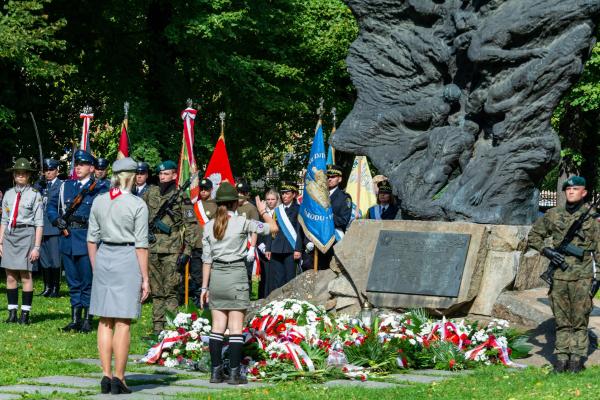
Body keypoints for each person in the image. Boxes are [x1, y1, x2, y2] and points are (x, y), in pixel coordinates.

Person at [199, 182, 277, 385]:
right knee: (235, 327)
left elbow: (206, 260)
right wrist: (263, 211)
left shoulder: (208, 226)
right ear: (236, 202)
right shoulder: (243, 223)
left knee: (217, 327)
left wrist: (204, 288)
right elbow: (273, 228)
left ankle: (215, 373)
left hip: (216, 277)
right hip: (236, 275)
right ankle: (234, 373)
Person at [87, 157, 150, 395]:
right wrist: (145, 277)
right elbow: (141, 245)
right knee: (123, 321)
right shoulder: (137, 204)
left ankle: (105, 375)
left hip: (103, 256)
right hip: (127, 257)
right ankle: (119, 378)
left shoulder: (99, 201)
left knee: (105, 320)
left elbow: (91, 239)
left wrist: (97, 266)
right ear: (133, 176)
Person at [528, 176, 600, 373]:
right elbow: (534, 236)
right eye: (568, 189)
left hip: (583, 276)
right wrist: (548, 251)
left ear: (584, 193)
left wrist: (598, 278)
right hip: (559, 275)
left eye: (576, 189)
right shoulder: (553, 214)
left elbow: (599, 250)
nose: (571, 191)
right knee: (561, 319)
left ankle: (576, 360)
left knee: (579, 319)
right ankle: (561, 359)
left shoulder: (593, 218)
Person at [48, 149, 109, 333]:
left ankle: (88, 320)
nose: (78, 167)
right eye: (77, 164)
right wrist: (55, 219)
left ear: (92, 168)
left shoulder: (100, 188)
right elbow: (51, 206)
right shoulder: (66, 186)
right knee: (73, 282)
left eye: (82, 164)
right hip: (67, 237)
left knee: (87, 281)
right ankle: (75, 319)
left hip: (87, 239)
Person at [143, 160, 199, 334]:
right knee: (156, 291)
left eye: (166, 174)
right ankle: (157, 328)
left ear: (174, 175)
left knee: (171, 290)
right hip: (151, 246)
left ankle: (172, 329)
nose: (162, 177)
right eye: (160, 174)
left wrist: (187, 252)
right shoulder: (150, 192)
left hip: (172, 249)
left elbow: (191, 226)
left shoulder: (181, 196)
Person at [0, 158, 44, 324]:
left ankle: (25, 314)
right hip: (10, 235)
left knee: (25, 275)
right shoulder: (9, 194)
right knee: (10, 275)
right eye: (17, 173)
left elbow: (39, 223)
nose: (20, 176)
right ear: (13, 175)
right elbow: (4, 220)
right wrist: (0, 242)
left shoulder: (35, 195)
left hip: (27, 234)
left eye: (23, 174)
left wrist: (37, 247)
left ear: (28, 176)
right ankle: (12, 313)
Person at [182, 178, 217, 306]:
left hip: (210, 246)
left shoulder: (216, 206)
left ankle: (210, 299)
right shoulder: (194, 205)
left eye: (206, 189)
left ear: (211, 190)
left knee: (211, 275)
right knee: (196, 274)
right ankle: (198, 300)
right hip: (196, 245)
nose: (203, 191)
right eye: (201, 189)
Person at [264, 182, 303, 296]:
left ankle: (289, 303)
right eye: (283, 194)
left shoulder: (298, 209)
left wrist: (298, 249)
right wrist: (268, 248)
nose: (284, 196)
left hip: (290, 249)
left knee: (290, 279)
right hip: (276, 248)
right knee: (277, 279)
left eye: (287, 193)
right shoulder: (278, 210)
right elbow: (272, 229)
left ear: (294, 194)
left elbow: (299, 231)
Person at [34, 159, 64, 297]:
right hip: (41, 226)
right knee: (45, 259)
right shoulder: (42, 185)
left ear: (57, 170)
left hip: (54, 227)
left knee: (55, 259)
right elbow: (33, 193)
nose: (48, 173)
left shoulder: (61, 185)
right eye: (46, 170)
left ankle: (55, 288)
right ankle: (47, 287)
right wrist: (39, 181)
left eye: (51, 170)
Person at [313, 164, 352, 269]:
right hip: (317, 240)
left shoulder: (344, 198)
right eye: (327, 176)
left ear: (339, 179)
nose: (329, 179)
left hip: (334, 241)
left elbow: (343, 220)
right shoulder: (317, 196)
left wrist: (327, 216)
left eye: (333, 177)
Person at [257, 189, 280, 298]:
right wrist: (261, 246)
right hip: (263, 247)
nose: (270, 201)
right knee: (265, 277)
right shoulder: (261, 214)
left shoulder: (280, 213)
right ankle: (263, 298)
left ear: (277, 200)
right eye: (268, 199)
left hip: (276, 248)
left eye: (273, 199)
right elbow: (257, 230)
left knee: (275, 276)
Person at [236, 181, 259, 285]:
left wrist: (252, 248)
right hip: (235, 246)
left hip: (247, 244)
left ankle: (247, 298)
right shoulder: (234, 206)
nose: (239, 195)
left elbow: (255, 229)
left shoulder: (251, 208)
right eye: (238, 192)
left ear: (247, 194)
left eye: (242, 193)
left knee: (246, 275)